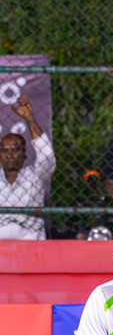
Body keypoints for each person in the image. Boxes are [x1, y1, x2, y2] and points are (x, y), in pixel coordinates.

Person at [0, 94, 55, 239]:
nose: (10, 155)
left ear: (24, 154)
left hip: (31, 248)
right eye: (5, 150)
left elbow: (47, 156)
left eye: (15, 150)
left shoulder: (35, 175)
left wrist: (30, 119)